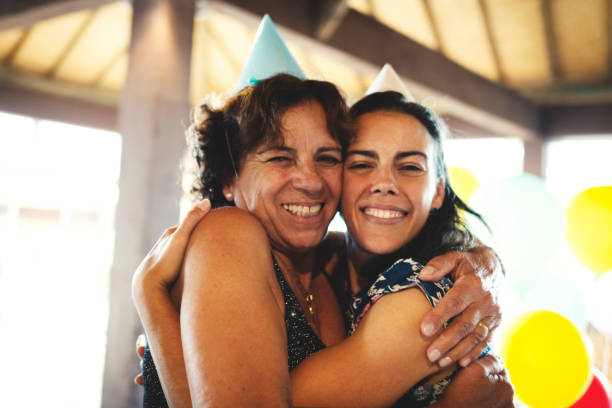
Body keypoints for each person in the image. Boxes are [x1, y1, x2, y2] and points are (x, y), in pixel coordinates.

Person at [132, 74, 511, 407]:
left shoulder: (328, 266)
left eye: (327, 158)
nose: (311, 181)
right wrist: (150, 298)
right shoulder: (228, 232)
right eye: (281, 157)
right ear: (229, 179)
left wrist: (484, 262)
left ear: (440, 190)